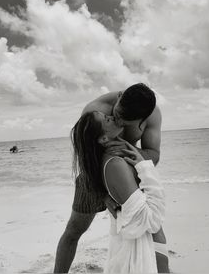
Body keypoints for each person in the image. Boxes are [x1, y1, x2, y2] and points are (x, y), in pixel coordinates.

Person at [54, 83, 169, 273]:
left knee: (153, 230)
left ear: (142, 119)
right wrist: (103, 193)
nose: (119, 122)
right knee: (74, 230)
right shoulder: (95, 111)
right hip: (92, 176)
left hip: (124, 176)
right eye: (116, 116)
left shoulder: (153, 115)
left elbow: (154, 155)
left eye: (126, 122)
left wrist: (130, 150)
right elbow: (86, 158)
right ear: (120, 96)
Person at [71, 111, 165, 273]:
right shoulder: (115, 164)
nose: (111, 116)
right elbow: (150, 219)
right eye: (106, 119)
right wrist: (144, 167)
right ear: (104, 139)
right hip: (139, 252)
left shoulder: (114, 158)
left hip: (135, 244)